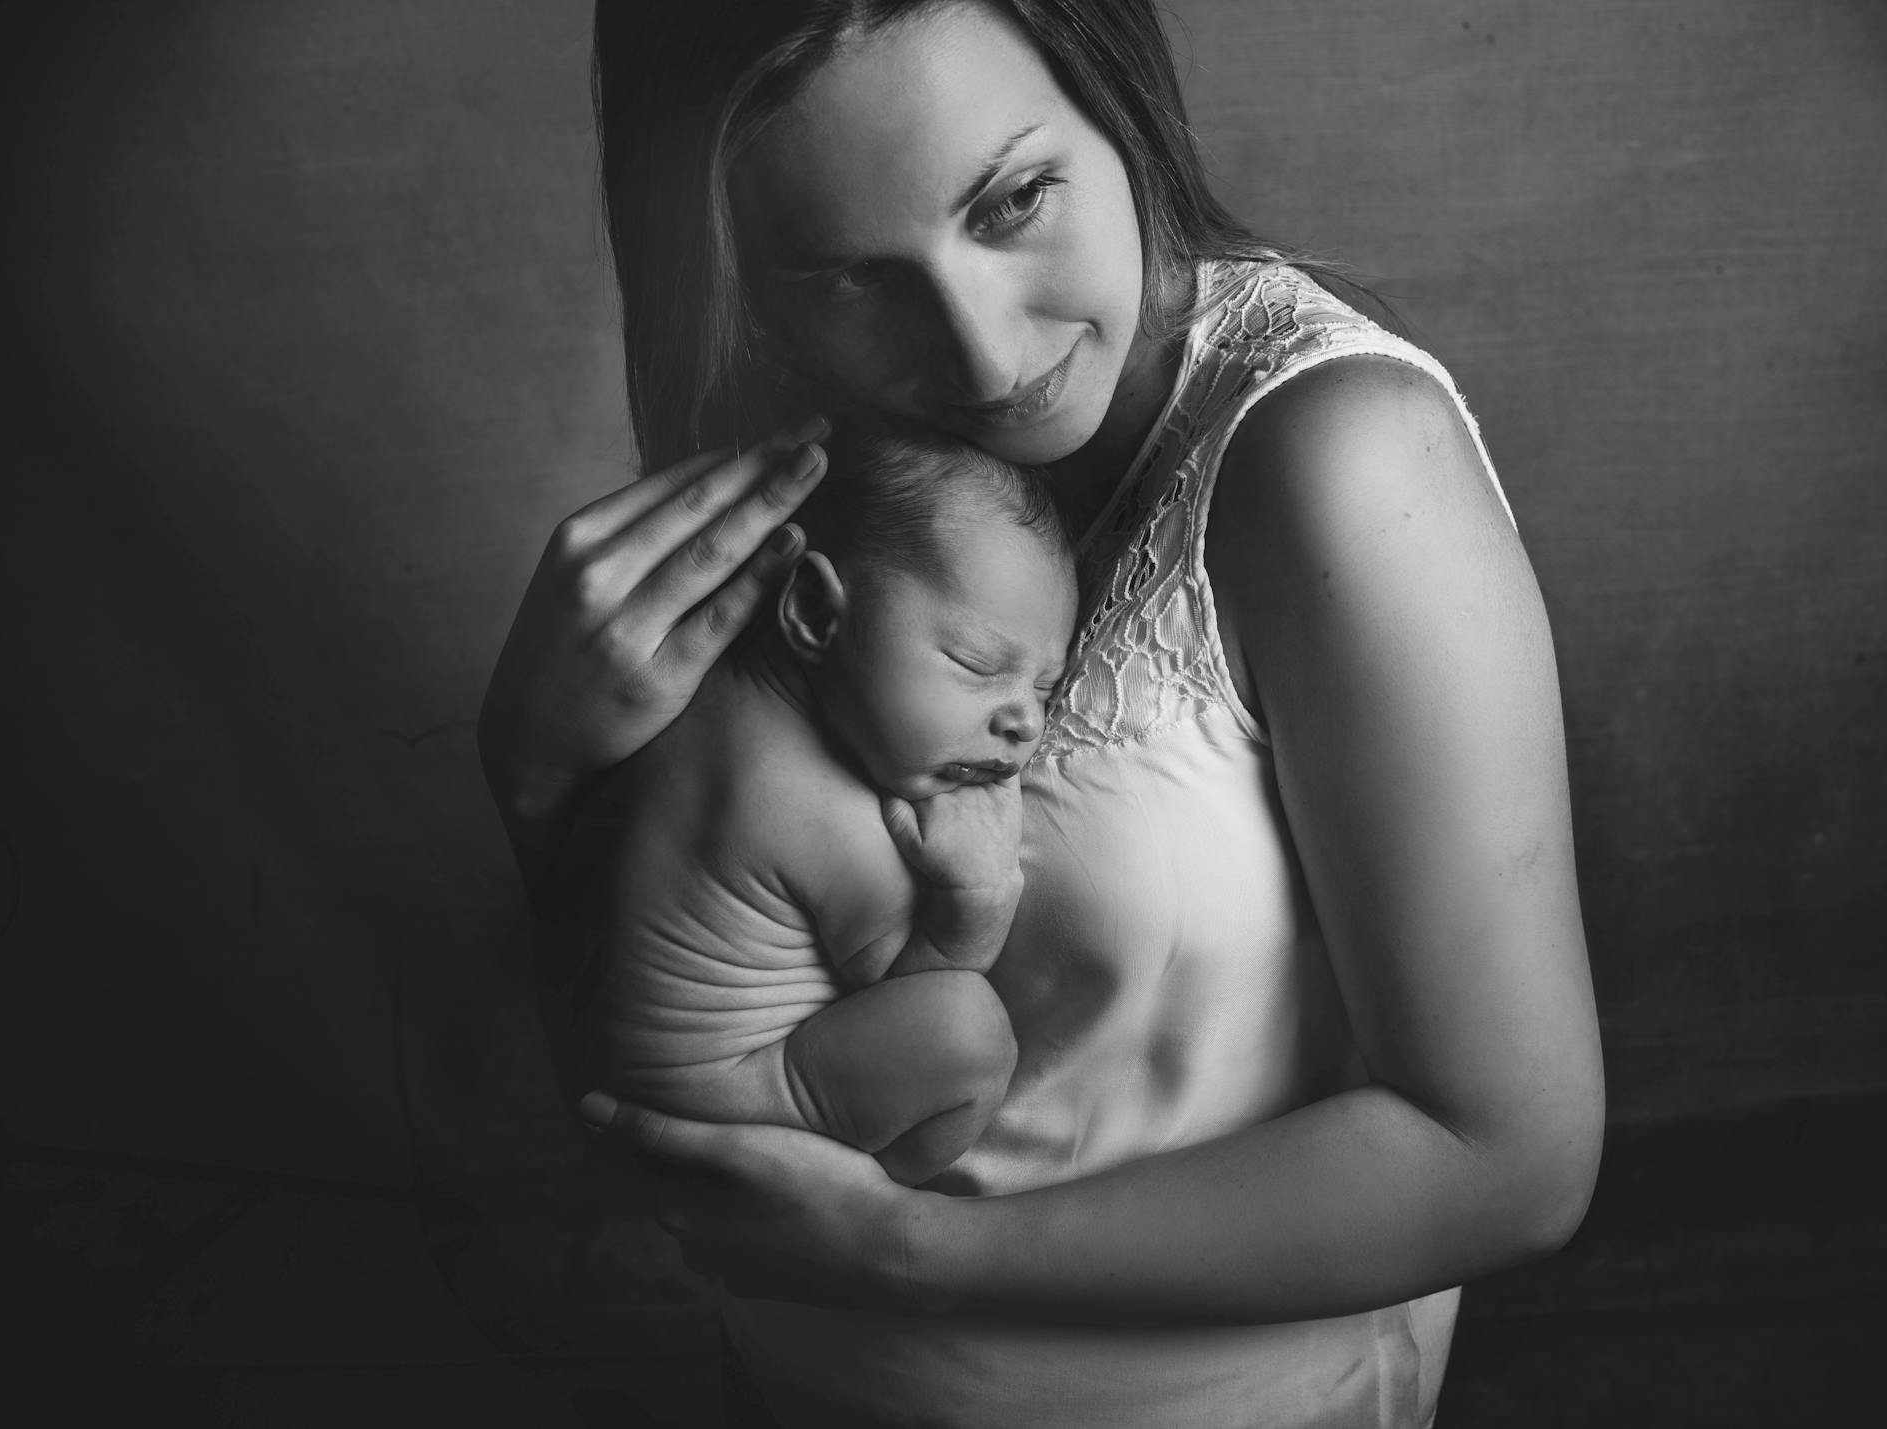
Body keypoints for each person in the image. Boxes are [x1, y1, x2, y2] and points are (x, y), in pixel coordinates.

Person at [478, 1, 1606, 1424]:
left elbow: (1509, 1159)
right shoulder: (810, 463)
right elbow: (670, 1042)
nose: (981, 351)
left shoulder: (1338, 466)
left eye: (1012, 200)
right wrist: (539, 780)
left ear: (1113, 94)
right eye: (850, 277)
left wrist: (913, 1254)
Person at [549, 425, 1075, 1190]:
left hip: (612, 1058)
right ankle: (879, 1191)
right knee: (965, 1028)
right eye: (977, 665)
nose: (1022, 719)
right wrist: (978, 901)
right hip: (729, 1101)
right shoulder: (820, 811)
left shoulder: (699, 703)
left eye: (1045, 689)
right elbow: (907, 988)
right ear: (816, 614)